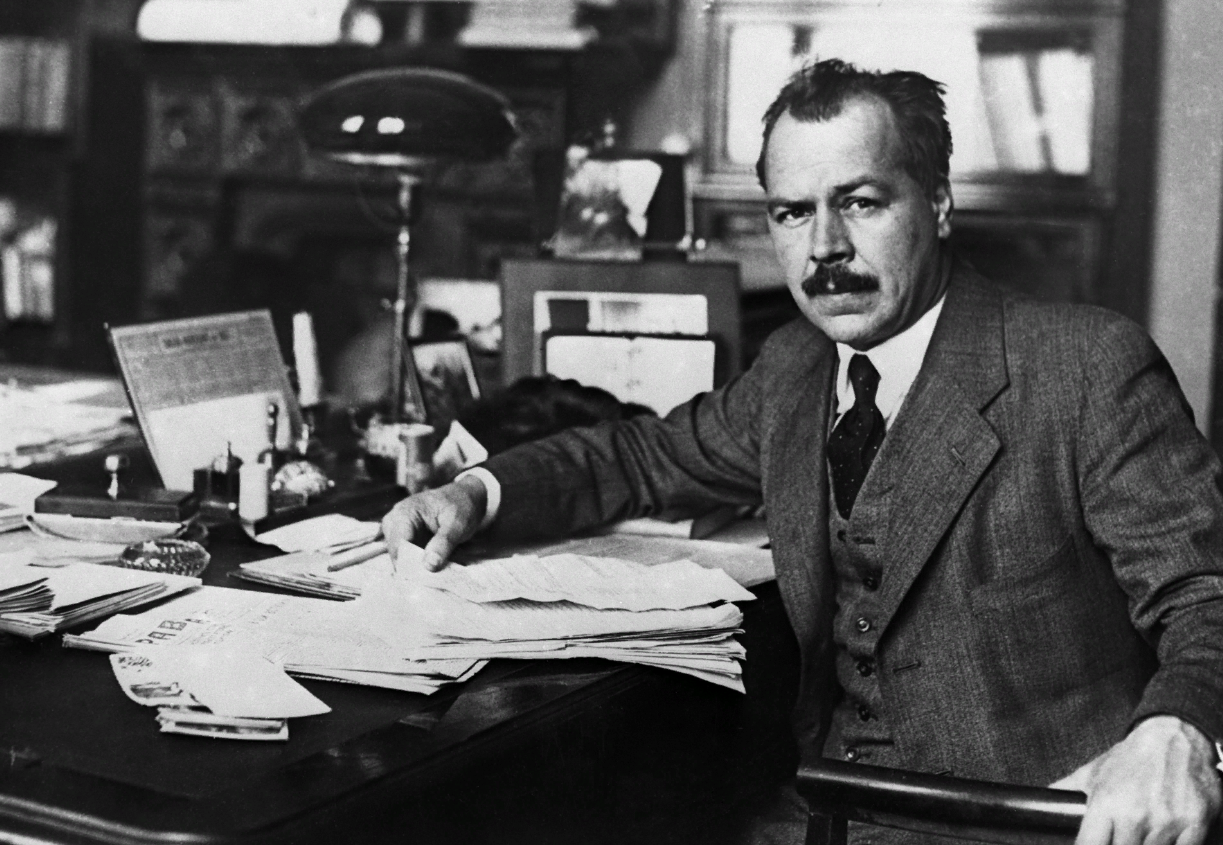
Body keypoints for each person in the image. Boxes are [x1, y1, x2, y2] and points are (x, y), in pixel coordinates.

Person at [381, 59, 1223, 845]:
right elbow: (640, 456)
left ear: (936, 203)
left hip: (1023, 826)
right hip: (819, 814)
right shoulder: (794, 368)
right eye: (791, 212)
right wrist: (477, 492)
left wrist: (1178, 727)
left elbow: (1206, 595)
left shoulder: (1082, 365)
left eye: (859, 203)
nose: (823, 247)